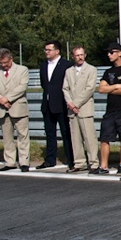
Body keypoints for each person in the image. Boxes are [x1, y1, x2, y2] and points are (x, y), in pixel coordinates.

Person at [0, 48, 31, 172]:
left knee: (23, 136)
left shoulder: (22, 70)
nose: (3, 65)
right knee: (7, 137)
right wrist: (0, 100)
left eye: (5, 62)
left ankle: (24, 162)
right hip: (2, 108)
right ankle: (10, 161)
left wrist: (7, 98)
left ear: (11, 59)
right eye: (0, 63)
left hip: (18, 107)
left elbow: (22, 87)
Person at [93, 42, 121, 175]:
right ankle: (103, 166)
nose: (109, 55)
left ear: (120, 53)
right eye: (108, 53)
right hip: (110, 110)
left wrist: (110, 88)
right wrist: (116, 86)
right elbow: (101, 89)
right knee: (104, 138)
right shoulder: (108, 72)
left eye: (111, 52)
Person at [62, 46, 99, 173]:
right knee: (75, 137)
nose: (80, 57)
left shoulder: (91, 70)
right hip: (72, 110)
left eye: (82, 54)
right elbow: (65, 88)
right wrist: (70, 103)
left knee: (89, 137)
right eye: (77, 55)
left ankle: (93, 162)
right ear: (73, 56)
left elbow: (90, 89)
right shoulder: (68, 71)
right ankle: (79, 162)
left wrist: (76, 104)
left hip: (84, 107)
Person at [37, 40, 72, 169]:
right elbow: (44, 84)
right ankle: (50, 159)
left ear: (57, 51)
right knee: (50, 133)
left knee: (66, 133)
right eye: (45, 50)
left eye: (49, 50)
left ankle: (71, 159)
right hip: (47, 104)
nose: (46, 52)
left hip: (62, 104)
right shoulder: (43, 65)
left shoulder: (67, 65)